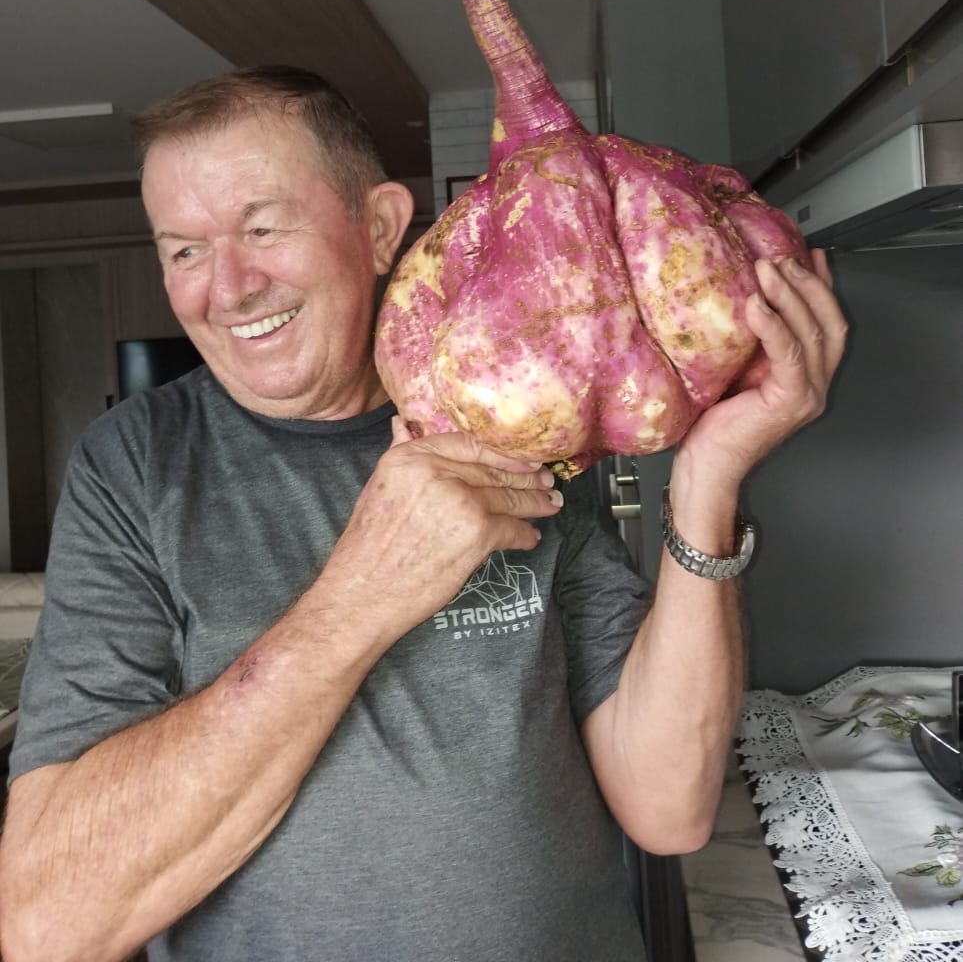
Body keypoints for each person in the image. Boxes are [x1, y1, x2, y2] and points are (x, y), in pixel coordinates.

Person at [0, 66, 847, 962]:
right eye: (183, 250)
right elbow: (50, 926)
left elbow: (668, 807)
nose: (228, 287)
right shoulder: (133, 466)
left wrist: (707, 481)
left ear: (378, 228)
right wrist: (364, 593)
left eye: (261, 227)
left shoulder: (521, 415)